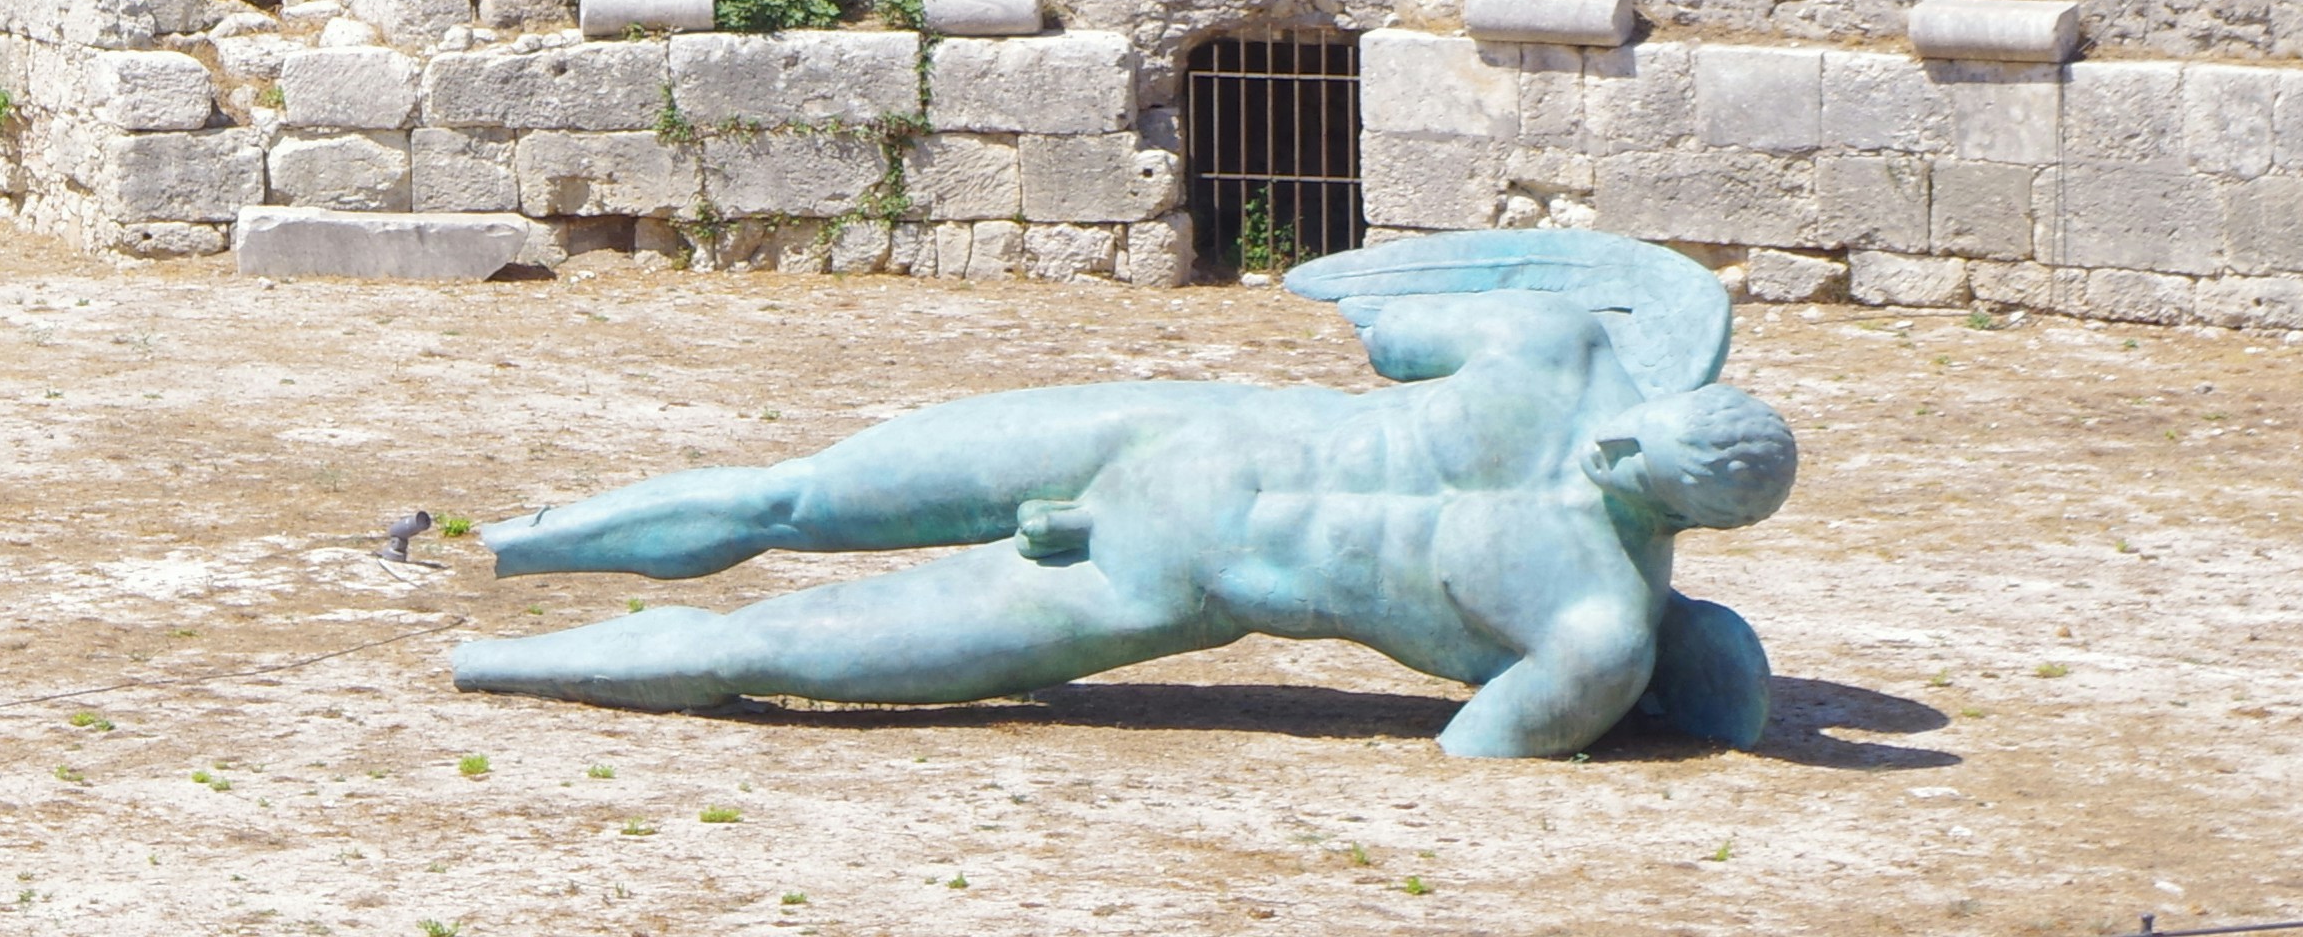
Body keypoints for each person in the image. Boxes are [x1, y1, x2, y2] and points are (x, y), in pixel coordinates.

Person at [452, 229, 1788, 757]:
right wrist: (1642, 687)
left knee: (787, 525)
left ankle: (505, 604)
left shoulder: (1566, 348)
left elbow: (1384, 331)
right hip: (1190, 556)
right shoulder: (1598, 623)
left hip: (1187, 483)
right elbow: (1485, 742)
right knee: (784, 558)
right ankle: (505, 611)